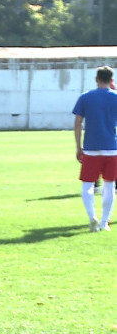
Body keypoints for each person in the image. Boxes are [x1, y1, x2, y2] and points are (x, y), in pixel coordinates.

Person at [72, 65, 117, 232]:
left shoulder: (85, 97)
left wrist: (78, 146)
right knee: (109, 185)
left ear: (97, 79)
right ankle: (104, 222)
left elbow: (77, 123)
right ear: (111, 80)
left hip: (91, 148)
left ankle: (92, 217)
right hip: (111, 147)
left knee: (87, 184)